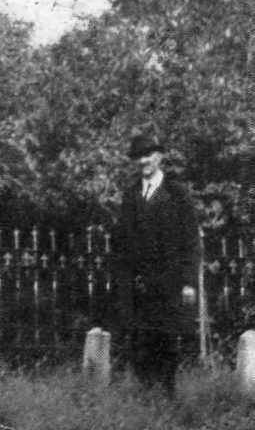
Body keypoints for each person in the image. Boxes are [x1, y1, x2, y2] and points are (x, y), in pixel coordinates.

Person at [114, 131, 200, 393]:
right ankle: (146, 395)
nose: (143, 161)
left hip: (170, 282)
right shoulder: (130, 195)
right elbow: (123, 243)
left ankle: (167, 395)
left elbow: (190, 240)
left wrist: (188, 282)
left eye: (148, 155)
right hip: (139, 285)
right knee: (140, 339)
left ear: (159, 157)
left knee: (167, 339)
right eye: (139, 156)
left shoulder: (176, 194)